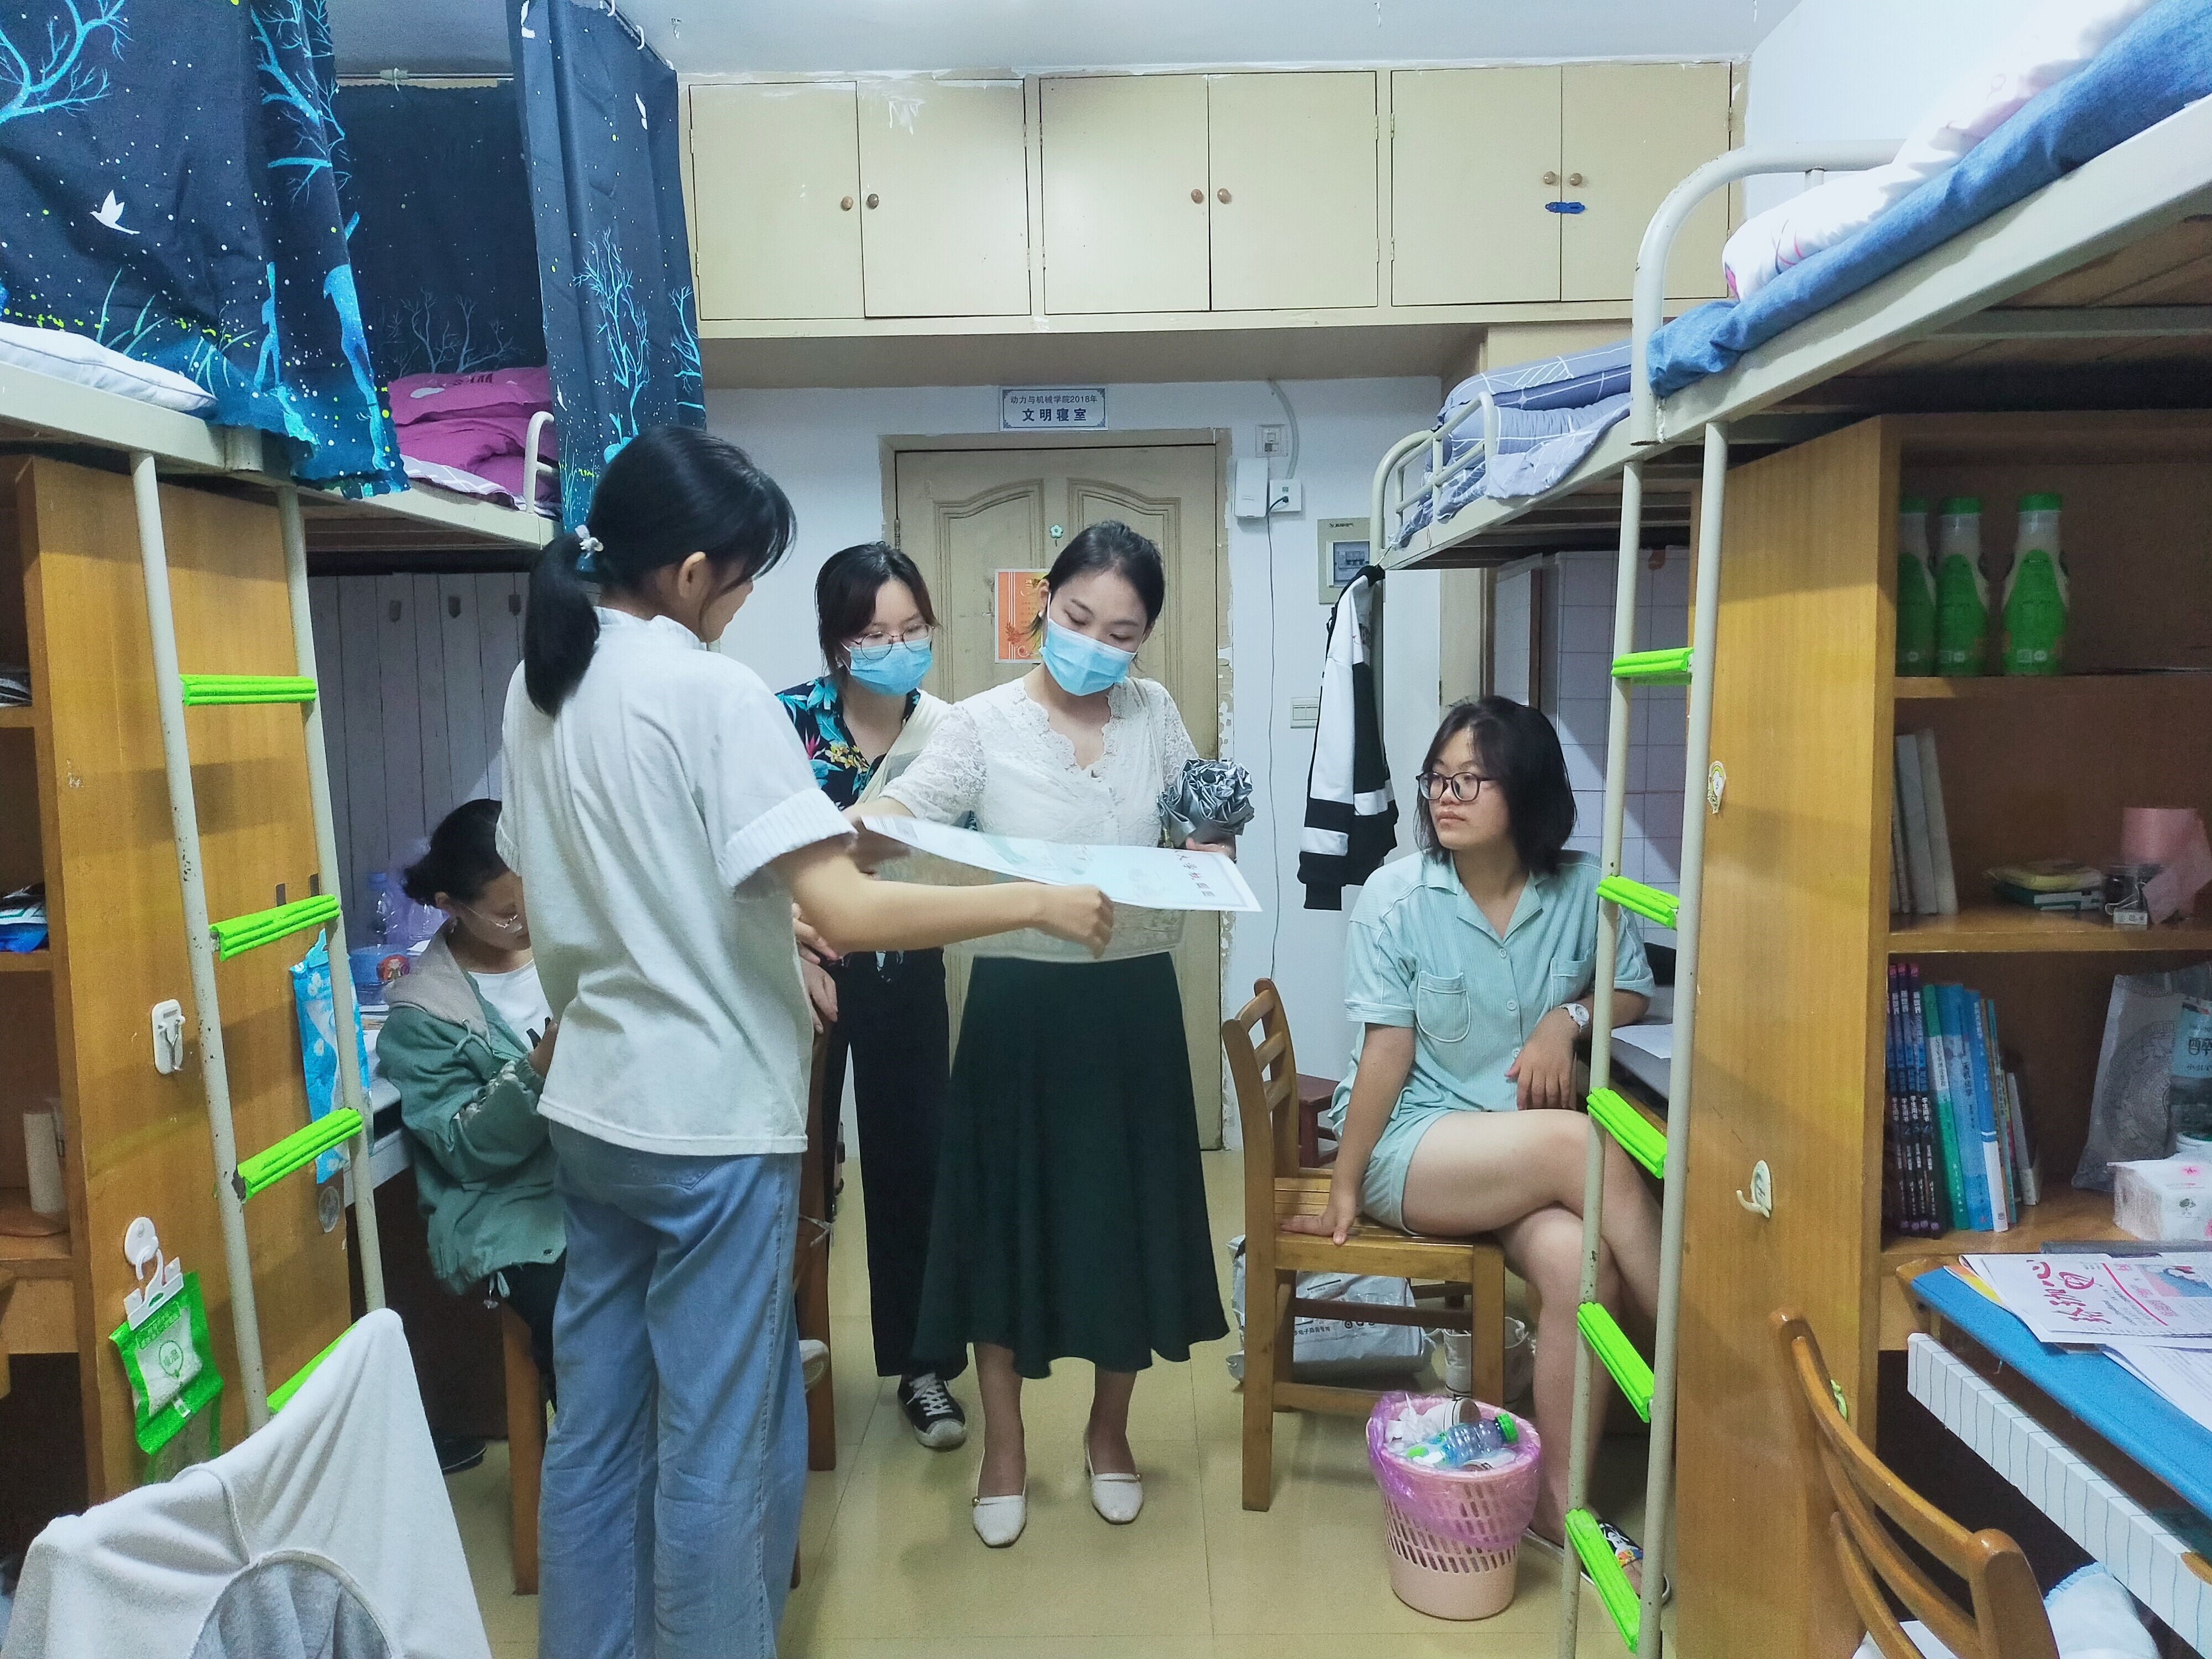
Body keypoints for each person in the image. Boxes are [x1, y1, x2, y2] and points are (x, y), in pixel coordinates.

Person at [499, 426, 1111, 1659]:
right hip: (708, 1129)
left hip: (595, 1118)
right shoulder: (710, 690)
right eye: (741, 579)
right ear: (690, 572)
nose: (739, 606)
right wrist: (1036, 902)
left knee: (598, 1434)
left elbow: (577, 873)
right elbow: (851, 908)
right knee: (718, 1444)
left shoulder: (541, 681)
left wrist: (753, 923)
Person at [868, 520, 1231, 1549]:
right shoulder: (979, 724)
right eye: (1078, 618)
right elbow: (903, 813)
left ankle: (1110, 1434)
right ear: (1044, 609)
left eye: (1122, 633)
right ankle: (1006, 1447)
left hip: (1133, 1006)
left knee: (1124, 1225)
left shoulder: (1155, 712)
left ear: (1144, 639)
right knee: (1004, 1230)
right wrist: (847, 841)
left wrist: (1209, 841)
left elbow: (1193, 814)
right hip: (1017, 1013)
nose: (1096, 645)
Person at [1288, 696, 1663, 1588]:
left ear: (1525, 790)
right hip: (1416, 1147)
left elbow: (1633, 989)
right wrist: (1345, 1183)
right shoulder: (1397, 896)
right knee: (1581, 1142)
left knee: (1582, 1266)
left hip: (1515, 1162)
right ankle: (1703, 1374)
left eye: (1471, 780)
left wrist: (1565, 1020)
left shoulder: (1582, 889)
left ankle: (1560, 1507)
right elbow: (1386, 1054)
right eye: (1438, 779)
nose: (1445, 797)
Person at [778, 542, 967, 1451]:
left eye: (913, 629)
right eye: (875, 633)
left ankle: (923, 1368)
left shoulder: (953, 733)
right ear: (836, 640)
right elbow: (744, 852)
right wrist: (788, 934)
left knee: (913, 1163)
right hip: (797, 966)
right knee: (794, 1165)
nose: (898, 648)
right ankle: (782, 1355)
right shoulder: (784, 723)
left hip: (904, 961)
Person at [378, 799, 564, 1390]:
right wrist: (539, 1068)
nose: (528, 921)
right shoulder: (426, 1013)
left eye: (536, 897)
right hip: (506, 1205)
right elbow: (464, 1148)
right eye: (508, 914)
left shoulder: (568, 947)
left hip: (596, 1175)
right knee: (589, 1321)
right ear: (450, 906)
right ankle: (603, 1440)